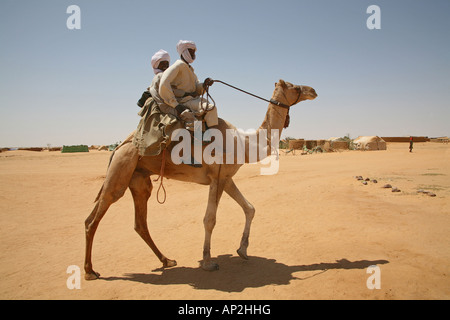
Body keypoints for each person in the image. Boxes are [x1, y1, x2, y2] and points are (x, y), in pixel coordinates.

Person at [158, 40, 218, 133]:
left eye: (194, 52)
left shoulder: (189, 69)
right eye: (191, 51)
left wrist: (204, 85)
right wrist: (175, 105)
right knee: (210, 108)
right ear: (184, 52)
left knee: (209, 108)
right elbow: (163, 83)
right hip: (184, 101)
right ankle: (208, 137)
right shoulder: (178, 65)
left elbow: (196, 89)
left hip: (193, 100)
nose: (193, 54)